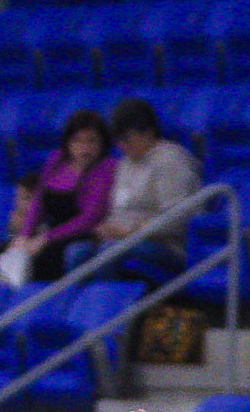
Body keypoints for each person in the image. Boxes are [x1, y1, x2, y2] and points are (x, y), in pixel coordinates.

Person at [69, 97, 200, 283]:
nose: (122, 146)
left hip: (166, 245)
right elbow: (119, 209)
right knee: (77, 253)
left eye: (127, 139)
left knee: (110, 251)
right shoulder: (125, 164)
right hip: (124, 239)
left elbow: (177, 220)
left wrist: (132, 232)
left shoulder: (170, 161)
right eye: (118, 140)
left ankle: (113, 308)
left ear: (148, 133)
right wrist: (107, 228)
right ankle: (84, 309)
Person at [17, 109, 118, 282]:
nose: (84, 149)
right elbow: (39, 201)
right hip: (50, 232)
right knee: (12, 249)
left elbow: (90, 219)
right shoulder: (57, 160)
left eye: (92, 142)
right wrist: (25, 236)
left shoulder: (107, 168)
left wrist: (46, 239)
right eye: (78, 141)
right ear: (68, 142)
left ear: (103, 143)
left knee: (43, 257)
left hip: (80, 235)